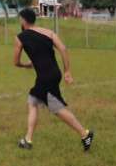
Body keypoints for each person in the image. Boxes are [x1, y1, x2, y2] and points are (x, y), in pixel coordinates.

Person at [13, 8, 94, 151]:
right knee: (32, 101)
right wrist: (67, 71)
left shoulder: (20, 37)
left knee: (56, 108)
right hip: (55, 74)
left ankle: (84, 133)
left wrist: (26, 65)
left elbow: (16, 62)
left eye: (20, 19)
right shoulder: (48, 32)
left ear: (23, 20)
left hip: (45, 77)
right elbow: (63, 48)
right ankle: (28, 139)